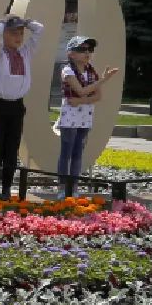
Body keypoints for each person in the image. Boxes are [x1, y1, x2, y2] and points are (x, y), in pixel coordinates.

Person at [0, 13, 45, 201]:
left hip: (17, 106)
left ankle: (6, 187)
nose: (18, 37)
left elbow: (40, 29)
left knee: (12, 148)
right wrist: (2, 21)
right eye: (13, 33)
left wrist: (25, 22)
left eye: (20, 33)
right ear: (5, 35)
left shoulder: (25, 52)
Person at [57, 35, 120, 197]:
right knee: (66, 153)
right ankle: (62, 188)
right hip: (69, 118)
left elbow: (98, 96)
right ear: (71, 53)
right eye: (82, 49)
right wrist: (102, 81)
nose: (87, 53)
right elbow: (81, 90)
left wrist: (80, 101)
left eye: (89, 50)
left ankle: (75, 187)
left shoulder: (91, 71)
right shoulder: (67, 70)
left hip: (85, 117)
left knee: (78, 153)